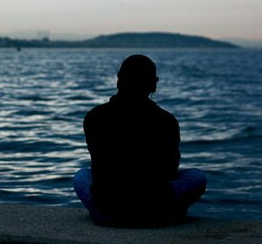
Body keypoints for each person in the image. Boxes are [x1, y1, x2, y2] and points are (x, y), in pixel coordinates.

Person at [73, 54, 206, 227]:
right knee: (196, 176)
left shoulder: (94, 117)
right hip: (154, 211)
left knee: (81, 176)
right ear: (154, 84)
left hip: (106, 212)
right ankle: (169, 212)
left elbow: (99, 165)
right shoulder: (166, 121)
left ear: (119, 80)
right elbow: (169, 170)